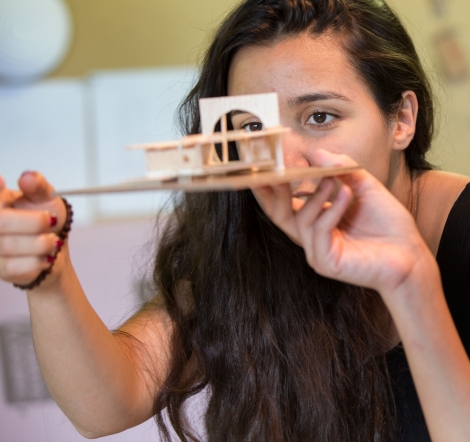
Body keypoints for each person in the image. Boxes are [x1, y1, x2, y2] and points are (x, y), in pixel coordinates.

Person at [1, 0, 470, 441]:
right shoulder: (253, 242)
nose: (284, 162)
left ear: (401, 119)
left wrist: (410, 286)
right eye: (252, 128)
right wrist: (50, 274)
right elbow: (105, 404)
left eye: (320, 116)